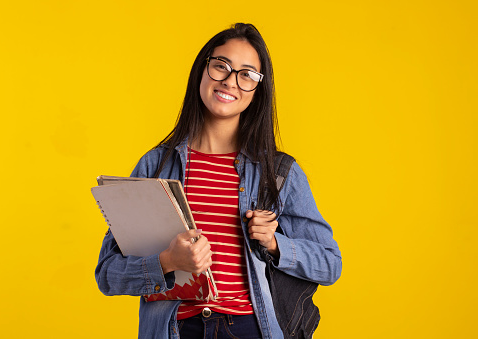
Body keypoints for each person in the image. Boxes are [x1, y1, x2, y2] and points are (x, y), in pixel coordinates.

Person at [95, 23, 342, 339]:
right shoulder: (155, 164)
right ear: (203, 70)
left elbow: (329, 264)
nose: (230, 81)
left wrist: (274, 243)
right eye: (221, 66)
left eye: (247, 75)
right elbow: (108, 274)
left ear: (257, 90)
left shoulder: (279, 172)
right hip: (176, 330)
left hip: (250, 329)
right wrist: (168, 261)